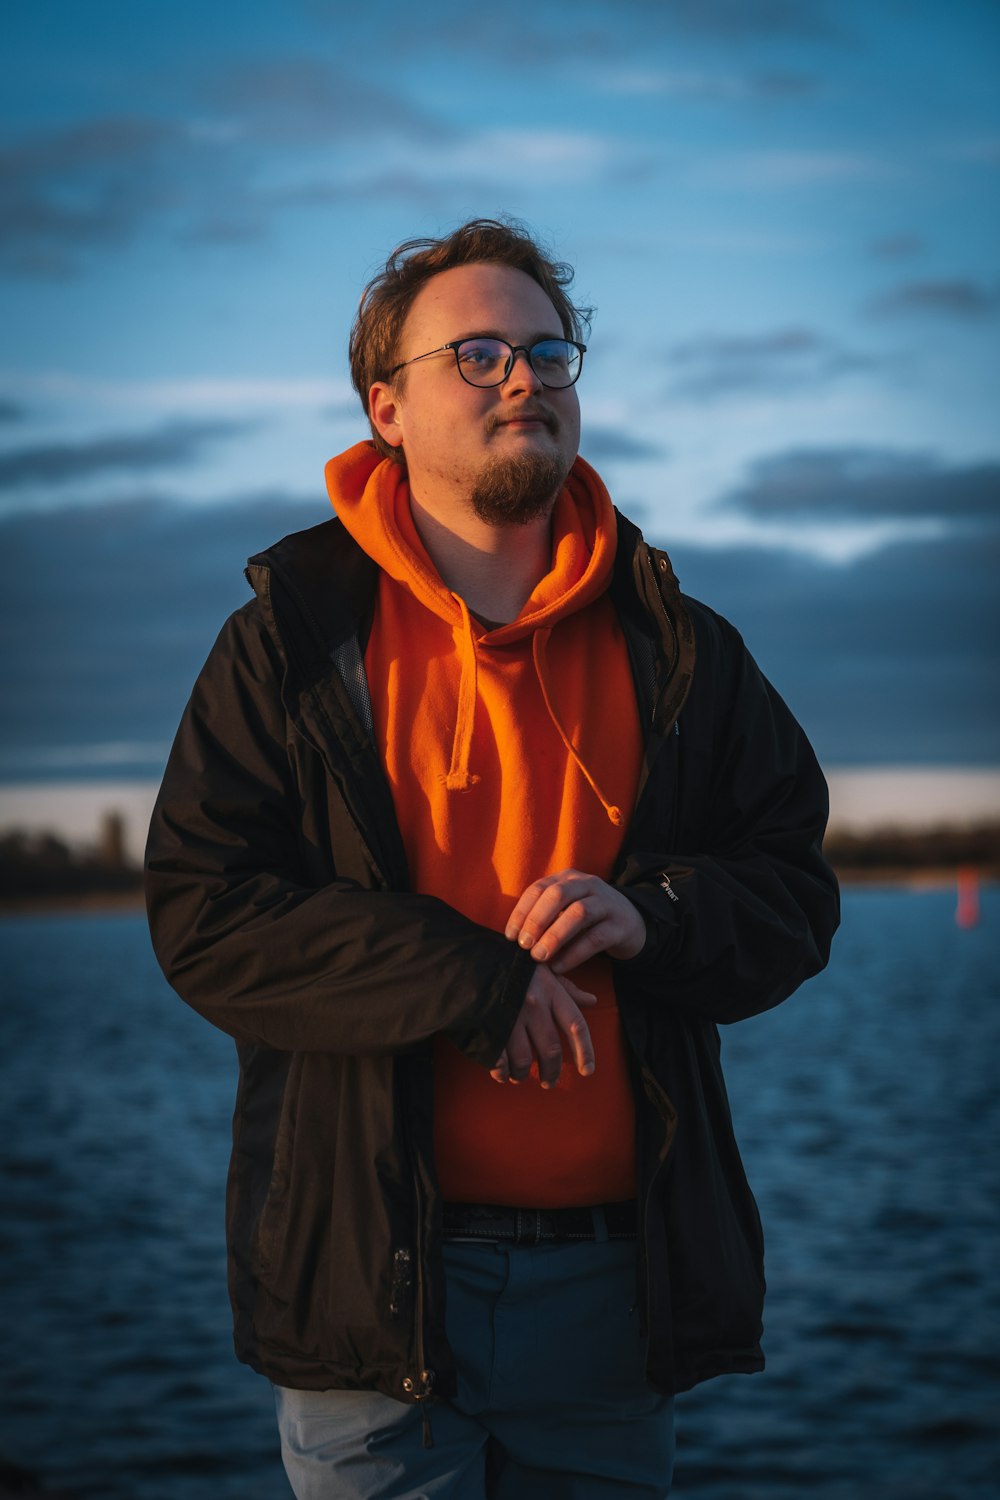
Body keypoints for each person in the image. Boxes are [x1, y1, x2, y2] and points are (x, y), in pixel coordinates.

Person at [145, 217, 839, 1499]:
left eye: (546, 352)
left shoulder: (682, 647)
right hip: (380, 1293)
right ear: (386, 406)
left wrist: (659, 919)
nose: (523, 376)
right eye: (474, 354)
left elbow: (794, 889)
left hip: (618, 1294)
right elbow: (207, 916)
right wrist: (472, 979)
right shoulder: (290, 642)